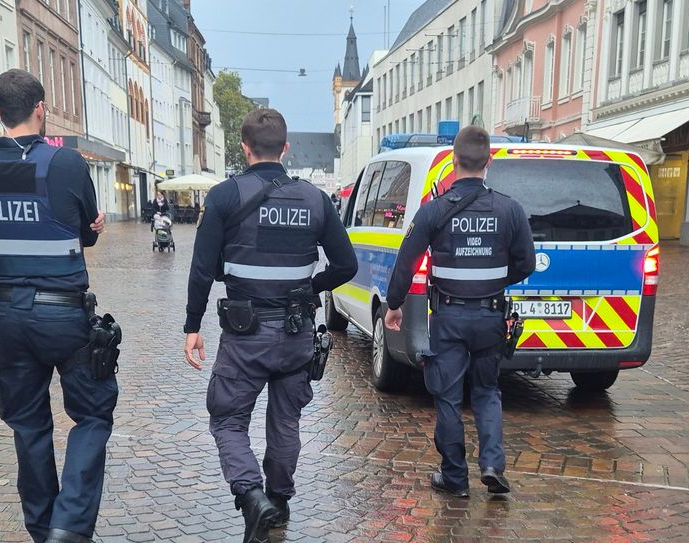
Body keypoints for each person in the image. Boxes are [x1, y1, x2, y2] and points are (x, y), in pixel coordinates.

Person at [183, 108, 358, 543]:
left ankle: (251, 496)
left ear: (244, 149)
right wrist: (310, 287)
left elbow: (202, 269)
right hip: (296, 333)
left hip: (245, 336)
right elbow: (346, 265)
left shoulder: (224, 196)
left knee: (227, 420)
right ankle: (277, 503)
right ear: (286, 148)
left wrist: (192, 325)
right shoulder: (315, 199)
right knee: (285, 422)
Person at [0, 69, 117, 543]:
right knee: (93, 414)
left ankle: (42, 526)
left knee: (27, 423)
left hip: (8, 316)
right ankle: (68, 525)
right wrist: (92, 228)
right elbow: (85, 232)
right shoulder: (65, 162)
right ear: (40, 108)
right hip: (63, 313)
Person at [384, 126, 535, 498]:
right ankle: (492, 465)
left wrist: (394, 305)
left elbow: (406, 261)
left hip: (448, 318)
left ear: (453, 160)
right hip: (491, 317)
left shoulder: (435, 210)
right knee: (487, 391)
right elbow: (526, 264)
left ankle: (454, 477)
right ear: (489, 161)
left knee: (448, 396)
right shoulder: (510, 209)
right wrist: (494, 280)